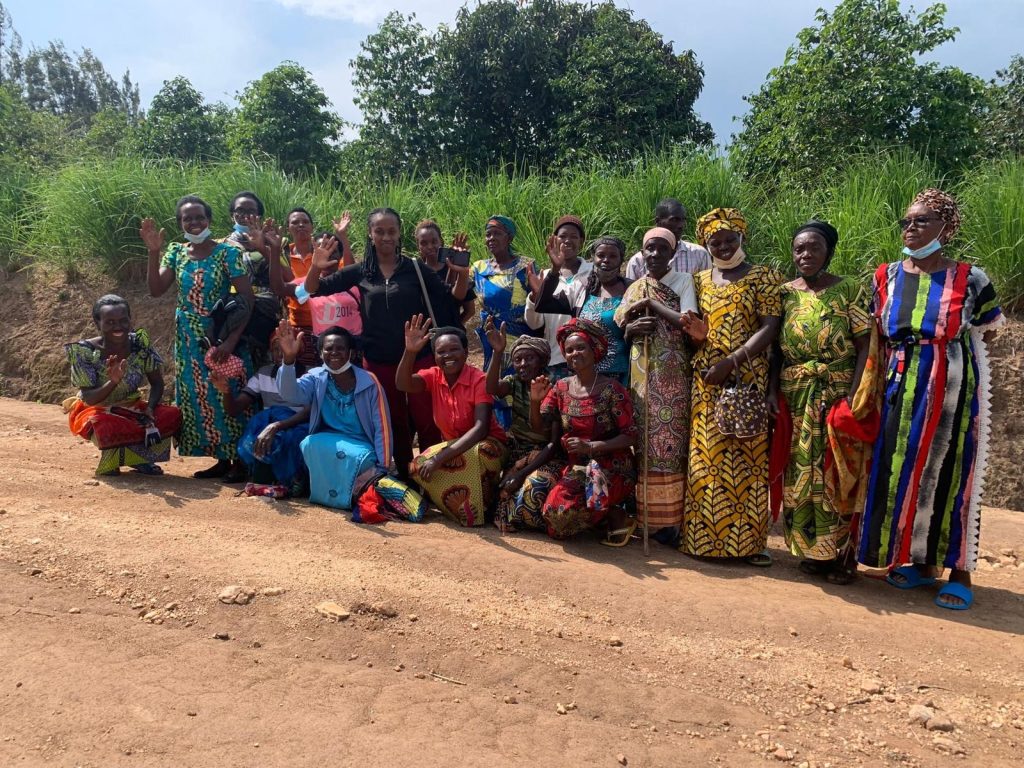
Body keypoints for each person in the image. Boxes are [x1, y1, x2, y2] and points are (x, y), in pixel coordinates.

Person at [858, 189, 1004, 610]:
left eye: (921, 221)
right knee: (902, 472)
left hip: (951, 392)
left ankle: (959, 571)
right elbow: (876, 332)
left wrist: (949, 366)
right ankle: (920, 563)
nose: (910, 228)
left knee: (951, 473)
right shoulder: (885, 276)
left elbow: (988, 332)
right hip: (898, 387)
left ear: (946, 228)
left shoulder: (971, 279)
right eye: (907, 221)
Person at [299, 208, 462, 480]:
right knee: (393, 420)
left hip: (419, 357)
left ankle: (432, 475)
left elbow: (451, 297)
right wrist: (316, 266)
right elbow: (313, 289)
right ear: (370, 234)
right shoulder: (361, 271)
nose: (386, 237)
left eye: (391, 231)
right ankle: (407, 475)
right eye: (379, 231)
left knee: (426, 418)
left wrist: (462, 273)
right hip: (379, 360)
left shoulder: (415, 269)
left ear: (399, 233)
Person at [768, 221, 872, 585]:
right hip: (796, 394)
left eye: (814, 248)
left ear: (828, 252)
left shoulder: (850, 289)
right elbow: (775, 350)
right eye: (799, 249)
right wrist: (772, 392)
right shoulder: (785, 294)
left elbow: (865, 345)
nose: (805, 255)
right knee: (800, 472)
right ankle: (812, 551)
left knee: (837, 471)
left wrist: (855, 395)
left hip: (835, 392)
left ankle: (843, 555)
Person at [680, 207, 783, 565]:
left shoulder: (763, 276)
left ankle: (750, 545)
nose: (723, 247)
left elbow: (770, 327)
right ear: (706, 245)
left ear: (742, 237)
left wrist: (731, 362)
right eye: (715, 242)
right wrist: (699, 341)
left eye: (729, 240)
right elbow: (696, 330)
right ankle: (702, 542)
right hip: (707, 380)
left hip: (745, 379)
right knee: (706, 459)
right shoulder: (700, 281)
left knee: (747, 458)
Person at [142, 195, 255, 481]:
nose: (194, 222)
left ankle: (241, 461)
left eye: (199, 217)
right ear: (180, 223)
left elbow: (247, 299)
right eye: (187, 218)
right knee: (200, 397)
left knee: (226, 389)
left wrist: (230, 342)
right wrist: (153, 252)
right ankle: (221, 459)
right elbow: (156, 289)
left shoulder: (227, 253)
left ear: (209, 219)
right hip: (188, 339)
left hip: (220, 334)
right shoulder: (176, 252)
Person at [275, 322, 427, 521]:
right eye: (329, 348)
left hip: (362, 448)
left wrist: (383, 466)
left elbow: (382, 427)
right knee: (309, 443)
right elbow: (290, 394)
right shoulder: (316, 377)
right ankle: (350, 494)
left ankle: (367, 489)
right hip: (327, 443)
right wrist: (288, 359)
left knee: (358, 461)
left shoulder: (369, 382)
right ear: (321, 353)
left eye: (340, 348)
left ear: (351, 353)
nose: (334, 353)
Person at [614, 227, 701, 543]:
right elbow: (622, 324)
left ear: (673, 253)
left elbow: (688, 321)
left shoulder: (684, 281)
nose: (654, 254)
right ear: (642, 253)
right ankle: (645, 517)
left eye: (662, 249)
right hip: (641, 375)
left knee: (668, 445)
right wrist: (634, 323)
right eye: (649, 249)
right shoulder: (636, 286)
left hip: (671, 376)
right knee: (642, 442)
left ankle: (670, 523)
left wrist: (653, 304)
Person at [533, 318, 638, 542]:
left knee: (567, 513)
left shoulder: (612, 389)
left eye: (581, 347)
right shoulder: (561, 387)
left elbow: (630, 436)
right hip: (577, 468)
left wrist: (590, 446)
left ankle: (615, 513)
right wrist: (535, 401)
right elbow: (540, 428)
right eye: (569, 350)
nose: (574, 354)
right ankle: (602, 516)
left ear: (594, 350)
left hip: (612, 466)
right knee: (554, 515)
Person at [398, 316, 508, 527]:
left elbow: (481, 429)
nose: (447, 355)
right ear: (434, 356)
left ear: (466, 353)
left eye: (454, 349)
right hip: (455, 448)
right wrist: (410, 351)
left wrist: (439, 459)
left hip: (486, 446)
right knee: (416, 467)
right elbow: (403, 384)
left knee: (480, 453)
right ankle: (458, 505)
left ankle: (484, 504)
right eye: (441, 352)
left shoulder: (479, 379)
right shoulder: (434, 376)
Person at [64, 295, 181, 476]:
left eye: (123, 321)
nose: (118, 327)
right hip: (96, 409)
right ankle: (111, 461)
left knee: (170, 415)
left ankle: (140, 459)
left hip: (131, 405)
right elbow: (89, 398)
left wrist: (150, 408)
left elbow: (157, 383)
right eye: (110, 322)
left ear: (130, 320)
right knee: (105, 424)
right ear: (97, 323)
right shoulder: (85, 352)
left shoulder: (140, 345)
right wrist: (113, 381)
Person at [483, 319, 564, 532]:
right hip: (518, 450)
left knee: (533, 488)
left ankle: (519, 514)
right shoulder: (514, 382)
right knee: (500, 485)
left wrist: (520, 474)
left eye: (529, 358)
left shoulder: (554, 387)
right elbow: (491, 388)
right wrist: (498, 352)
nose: (522, 364)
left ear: (542, 360)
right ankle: (505, 513)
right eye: (517, 359)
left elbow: (553, 444)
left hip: (546, 455)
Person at [212, 331, 310, 493]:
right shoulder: (264, 374)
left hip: (296, 424)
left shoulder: (309, 375)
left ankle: (292, 479)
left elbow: (308, 412)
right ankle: (269, 479)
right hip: (269, 425)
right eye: (275, 349)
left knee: (290, 439)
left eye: (285, 348)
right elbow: (234, 409)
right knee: (258, 438)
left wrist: (277, 426)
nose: (280, 353)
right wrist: (226, 392)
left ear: (298, 349)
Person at [531, 236, 632, 383]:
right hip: (586, 375)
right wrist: (555, 270)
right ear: (593, 258)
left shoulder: (631, 290)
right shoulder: (582, 290)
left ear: (621, 260)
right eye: (601, 255)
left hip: (621, 375)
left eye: (613, 256)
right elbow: (543, 304)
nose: (606, 260)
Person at [269, 207, 354, 367]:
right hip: (311, 335)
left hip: (347, 339)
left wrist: (343, 236)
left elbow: (350, 269)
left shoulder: (348, 279)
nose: (328, 254)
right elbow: (280, 288)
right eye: (322, 251)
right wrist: (274, 249)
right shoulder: (307, 285)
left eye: (333, 251)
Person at [524, 215, 593, 378]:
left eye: (574, 236)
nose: (568, 241)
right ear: (554, 240)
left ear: (581, 241)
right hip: (556, 360)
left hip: (590, 358)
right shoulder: (545, 276)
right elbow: (534, 324)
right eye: (562, 236)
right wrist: (535, 297)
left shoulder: (593, 272)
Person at [223, 191, 283, 366]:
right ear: (232, 215)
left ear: (259, 216)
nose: (245, 215)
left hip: (267, 316)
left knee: (266, 370)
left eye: (251, 211)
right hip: (233, 315)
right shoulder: (221, 246)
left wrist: (263, 247)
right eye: (240, 210)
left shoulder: (274, 242)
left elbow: (286, 277)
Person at [471, 215, 538, 369]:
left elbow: (538, 300)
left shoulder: (526, 265)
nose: (491, 238)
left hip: (521, 337)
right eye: (488, 234)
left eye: (497, 233)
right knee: (494, 377)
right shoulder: (478, 268)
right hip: (491, 336)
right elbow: (460, 295)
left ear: (509, 237)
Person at [625, 198, 710, 280]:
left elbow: (708, 287)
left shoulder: (699, 254)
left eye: (683, 220)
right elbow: (632, 289)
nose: (681, 225)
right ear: (658, 221)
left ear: (672, 253)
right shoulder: (637, 262)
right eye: (674, 220)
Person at [413, 219, 476, 327]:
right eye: (424, 243)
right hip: (426, 335)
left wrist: (454, 326)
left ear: (441, 241)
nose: (430, 246)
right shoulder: (415, 271)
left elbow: (470, 310)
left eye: (434, 241)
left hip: (452, 335)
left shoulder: (457, 269)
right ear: (418, 246)